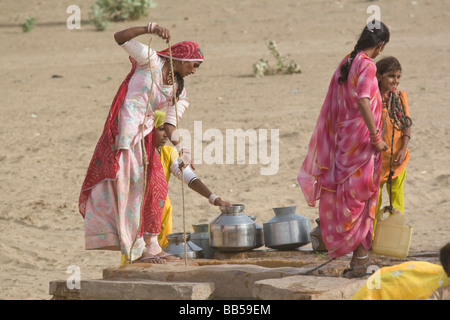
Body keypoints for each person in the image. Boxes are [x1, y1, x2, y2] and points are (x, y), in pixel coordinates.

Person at [79, 22, 210, 264]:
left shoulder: (178, 88)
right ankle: (134, 250)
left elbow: (170, 125)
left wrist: (183, 150)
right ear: (181, 60)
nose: (195, 70)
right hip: (126, 135)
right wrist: (149, 28)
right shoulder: (150, 60)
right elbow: (120, 37)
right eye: (194, 65)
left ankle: (151, 245)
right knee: (132, 190)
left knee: (156, 188)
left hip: (147, 135)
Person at [297, 21, 390, 278]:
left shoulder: (347, 61)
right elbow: (362, 100)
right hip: (360, 143)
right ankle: (358, 261)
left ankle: (348, 252)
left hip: (343, 142)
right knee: (362, 200)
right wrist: (375, 136)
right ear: (380, 46)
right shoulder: (368, 65)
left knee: (348, 197)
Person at [153, 110, 230, 248]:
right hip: (140, 211)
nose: (166, 134)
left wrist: (214, 198)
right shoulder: (139, 154)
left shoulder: (168, 152)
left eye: (168, 130)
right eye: (160, 129)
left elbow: (189, 178)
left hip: (162, 211)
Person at [373, 56, 412, 235]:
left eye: (398, 76)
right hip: (376, 161)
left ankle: (395, 236)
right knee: (375, 200)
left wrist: (403, 148)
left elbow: (406, 124)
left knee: (397, 198)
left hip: (397, 158)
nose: (395, 81)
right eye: (391, 76)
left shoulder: (400, 97)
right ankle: (371, 240)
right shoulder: (373, 100)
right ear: (379, 76)